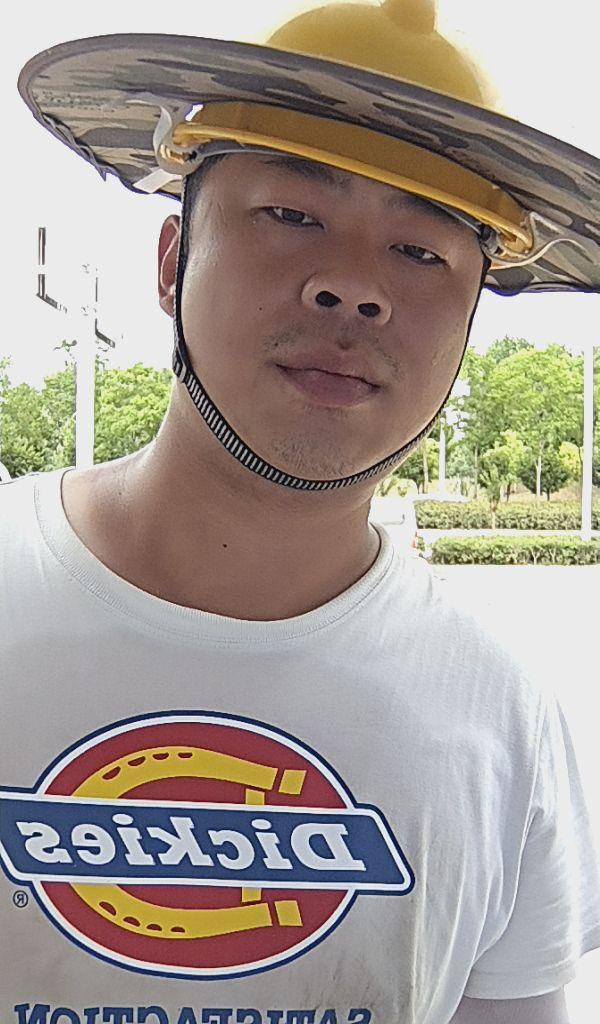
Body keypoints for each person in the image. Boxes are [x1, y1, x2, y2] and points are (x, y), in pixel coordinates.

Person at [2, 2, 600, 1022]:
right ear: (170, 262)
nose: (353, 287)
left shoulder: (501, 712)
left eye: (422, 253)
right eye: (291, 215)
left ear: (466, 320)